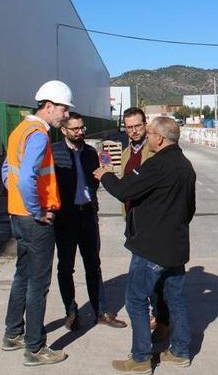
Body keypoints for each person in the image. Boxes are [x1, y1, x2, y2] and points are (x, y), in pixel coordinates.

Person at [94, 117, 196, 374]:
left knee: (136, 300)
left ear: (160, 138)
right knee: (176, 298)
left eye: (149, 133)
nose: (145, 136)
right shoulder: (185, 166)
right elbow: (189, 209)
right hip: (176, 246)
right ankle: (180, 351)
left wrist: (105, 175)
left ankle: (140, 358)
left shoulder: (158, 164)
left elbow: (124, 190)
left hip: (152, 247)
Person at [0, 80, 72, 366]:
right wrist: (37, 209)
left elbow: (8, 170)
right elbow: (28, 175)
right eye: (64, 109)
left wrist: (18, 200)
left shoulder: (20, 130)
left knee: (22, 275)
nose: (65, 115)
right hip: (35, 218)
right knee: (38, 283)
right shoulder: (40, 134)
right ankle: (35, 348)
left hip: (17, 215)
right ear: (49, 106)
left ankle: (13, 334)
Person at [52, 112, 127, 331]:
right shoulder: (54, 152)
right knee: (66, 267)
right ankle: (71, 311)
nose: (80, 132)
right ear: (64, 130)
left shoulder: (91, 153)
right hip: (65, 217)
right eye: (75, 129)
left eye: (82, 128)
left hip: (87, 215)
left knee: (93, 264)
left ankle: (101, 311)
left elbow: (96, 180)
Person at [118, 108, 169, 342]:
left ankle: (161, 321)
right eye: (129, 127)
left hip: (153, 223)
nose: (134, 131)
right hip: (134, 221)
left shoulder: (155, 151)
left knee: (155, 277)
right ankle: (154, 316)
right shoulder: (127, 153)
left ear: (145, 124)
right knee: (144, 275)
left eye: (138, 126)